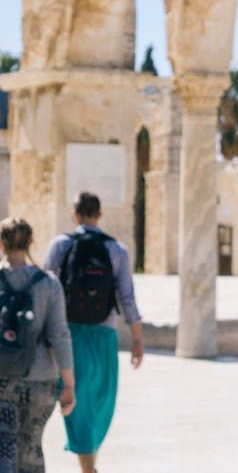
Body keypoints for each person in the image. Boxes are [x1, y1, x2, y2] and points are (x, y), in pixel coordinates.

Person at [44, 193, 144, 473]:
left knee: (80, 400)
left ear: (74, 214)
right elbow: (127, 298)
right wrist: (137, 338)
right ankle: (89, 467)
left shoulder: (61, 244)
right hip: (104, 334)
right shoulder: (117, 250)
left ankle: (88, 464)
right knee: (101, 401)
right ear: (100, 215)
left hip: (68, 333)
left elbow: (46, 292)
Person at [0, 217, 75, 473]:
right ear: (32, 242)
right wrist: (70, 385)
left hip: (2, 378)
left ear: (2, 243)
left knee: (4, 447)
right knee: (31, 447)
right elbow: (59, 335)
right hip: (42, 379)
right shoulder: (48, 283)